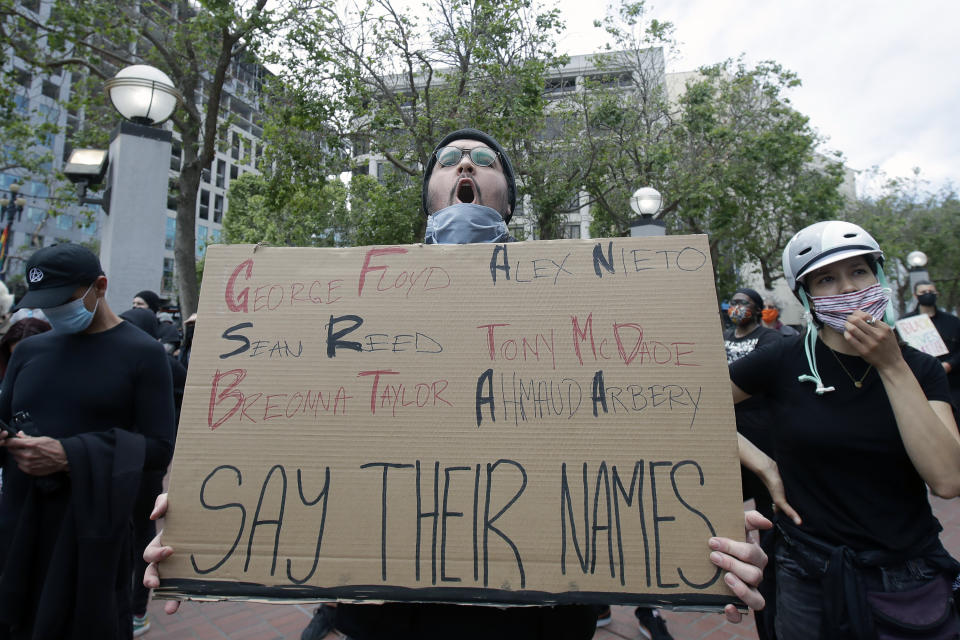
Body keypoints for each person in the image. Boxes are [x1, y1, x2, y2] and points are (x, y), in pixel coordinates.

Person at [144, 129, 770, 640]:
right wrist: (205, 526)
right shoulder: (345, 305)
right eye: (448, 161)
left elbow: (657, 442)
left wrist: (716, 549)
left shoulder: (586, 309)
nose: (465, 164)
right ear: (430, 196)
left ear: (506, 196)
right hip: (386, 620)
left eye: (482, 160)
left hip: (538, 626)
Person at [734, 221, 960, 639]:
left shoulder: (921, 368)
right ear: (806, 296)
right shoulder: (780, 359)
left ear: (878, 277)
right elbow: (688, 403)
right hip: (805, 574)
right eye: (826, 279)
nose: (846, 289)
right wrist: (762, 463)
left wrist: (891, 365)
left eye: (859, 272)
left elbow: (948, 480)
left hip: (906, 575)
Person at [0, 243, 176, 639]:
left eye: (62, 301)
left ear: (100, 286)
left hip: (90, 535)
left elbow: (159, 447)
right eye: (43, 303)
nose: (53, 311)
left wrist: (70, 455)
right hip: (19, 525)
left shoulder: (144, 355)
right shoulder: (28, 350)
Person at [903, 280, 960, 410]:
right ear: (915, 296)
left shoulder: (953, 321)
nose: (928, 294)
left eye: (931, 292)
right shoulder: (904, 323)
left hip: (953, 384)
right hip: (922, 385)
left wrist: (949, 365)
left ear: (937, 294)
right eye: (923, 292)